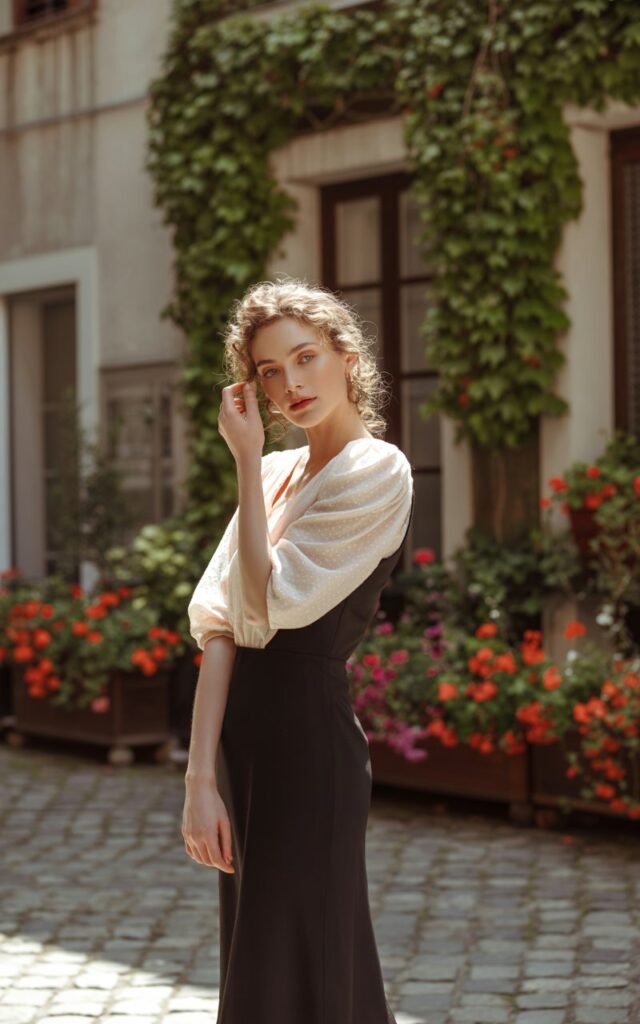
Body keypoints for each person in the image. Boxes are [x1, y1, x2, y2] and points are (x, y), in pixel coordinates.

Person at [183, 277, 415, 1023]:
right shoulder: (281, 474)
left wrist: (245, 462)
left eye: (306, 357)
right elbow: (222, 623)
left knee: (302, 961)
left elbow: (271, 600)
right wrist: (197, 778)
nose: (291, 383)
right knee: (260, 960)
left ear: (347, 358)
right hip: (242, 747)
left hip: (309, 748)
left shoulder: (377, 471)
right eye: (270, 371)